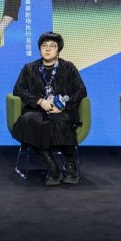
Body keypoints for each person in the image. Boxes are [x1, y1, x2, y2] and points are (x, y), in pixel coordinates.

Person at [12, 32, 87, 185]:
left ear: (58, 50)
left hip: (62, 110)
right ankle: (52, 166)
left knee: (60, 120)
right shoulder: (29, 68)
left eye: (52, 46)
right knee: (31, 122)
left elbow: (81, 91)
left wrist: (63, 106)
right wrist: (39, 101)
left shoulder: (68, 67)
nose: (47, 49)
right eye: (44, 46)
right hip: (37, 110)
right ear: (39, 49)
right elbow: (18, 89)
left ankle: (70, 164)